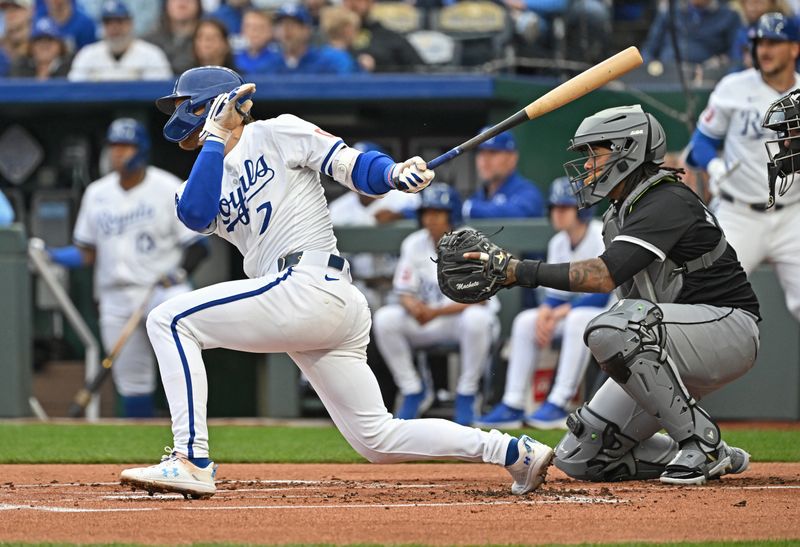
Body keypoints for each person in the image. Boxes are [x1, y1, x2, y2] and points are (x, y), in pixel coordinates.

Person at [118, 65, 553, 499]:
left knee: (169, 319)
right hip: (300, 299)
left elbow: (352, 165)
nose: (179, 113)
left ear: (212, 101)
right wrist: (214, 136)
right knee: (377, 439)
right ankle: (512, 451)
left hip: (310, 284)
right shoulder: (203, 174)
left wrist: (393, 172)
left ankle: (191, 459)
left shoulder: (277, 132)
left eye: (183, 103)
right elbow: (194, 214)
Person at [443, 104, 758, 485]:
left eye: (596, 152)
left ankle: (702, 444)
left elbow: (603, 277)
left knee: (614, 326)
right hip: (668, 341)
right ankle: (709, 454)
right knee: (581, 457)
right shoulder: (616, 215)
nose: (589, 165)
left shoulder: (666, 198)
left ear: (630, 149)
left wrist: (516, 271)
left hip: (726, 328)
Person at [46, 118, 209, 418]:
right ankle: (139, 436)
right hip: (116, 295)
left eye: (126, 146)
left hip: (161, 289)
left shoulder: (168, 186)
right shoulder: (97, 192)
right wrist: (50, 256)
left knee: (181, 355)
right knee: (132, 379)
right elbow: (86, 253)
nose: (119, 153)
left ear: (141, 149)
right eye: (115, 147)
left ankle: (191, 425)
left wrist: (179, 273)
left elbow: (198, 246)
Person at [687, 12, 800, 322]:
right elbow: (699, 145)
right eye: (760, 42)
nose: (764, 50)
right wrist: (714, 165)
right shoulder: (732, 88)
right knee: (709, 306)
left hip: (793, 214)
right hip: (740, 213)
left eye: (774, 42)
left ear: (794, 48)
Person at [474, 177, 610, 430]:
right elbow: (554, 293)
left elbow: (604, 290)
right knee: (526, 321)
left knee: (576, 319)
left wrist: (557, 314)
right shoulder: (557, 242)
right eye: (553, 208)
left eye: (563, 207)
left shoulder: (600, 233)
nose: (556, 213)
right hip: (568, 313)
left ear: (581, 209)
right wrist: (547, 313)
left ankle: (560, 400)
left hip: (607, 312)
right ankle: (512, 404)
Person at [373, 183, 500, 426]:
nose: (430, 219)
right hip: (428, 319)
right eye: (426, 213)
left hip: (460, 320)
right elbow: (404, 291)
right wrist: (413, 307)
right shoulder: (413, 243)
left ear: (450, 214)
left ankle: (467, 393)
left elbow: (481, 297)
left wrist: (435, 311)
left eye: (437, 213)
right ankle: (413, 390)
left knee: (478, 319)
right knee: (386, 319)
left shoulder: (471, 241)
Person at [67, 0, 172, 81]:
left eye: (119, 21)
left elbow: (162, 96)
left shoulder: (152, 54)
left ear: (130, 23)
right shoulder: (87, 55)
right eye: (108, 22)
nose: (114, 28)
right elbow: (73, 92)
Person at [462, 129, 544, 220]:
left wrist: (470, 209)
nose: (485, 160)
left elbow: (519, 213)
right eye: (481, 153)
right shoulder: (478, 197)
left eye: (493, 152)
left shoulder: (527, 192)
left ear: (512, 158)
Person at [640, 0, 741, 68]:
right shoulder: (670, 10)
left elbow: (736, 54)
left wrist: (720, 64)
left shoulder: (729, 16)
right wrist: (649, 68)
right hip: (667, 72)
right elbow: (650, 47)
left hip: (706, 77)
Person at [262, 4, 356, 74]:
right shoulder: (268, 65)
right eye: (281, 24)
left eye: (293, 25)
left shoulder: (325, 63)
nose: (286, 30)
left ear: (306, 30)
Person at [342, 0, 422, 72]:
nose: (352, 3)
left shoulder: (391, 38)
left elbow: (420, 70)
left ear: (371, 3)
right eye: (347, 0)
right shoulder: (333, 39)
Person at [144, 0, 203, 75]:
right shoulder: (149, 40)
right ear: (166, 4)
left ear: (198, 4)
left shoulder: (209, 38)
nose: (182, 3)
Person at [233, 8, 275, 75]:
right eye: (249, 27)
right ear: (242, 30)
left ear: (271, 31)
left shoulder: (280, 59)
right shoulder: (233, 60)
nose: (254, 32)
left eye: (260, 27)